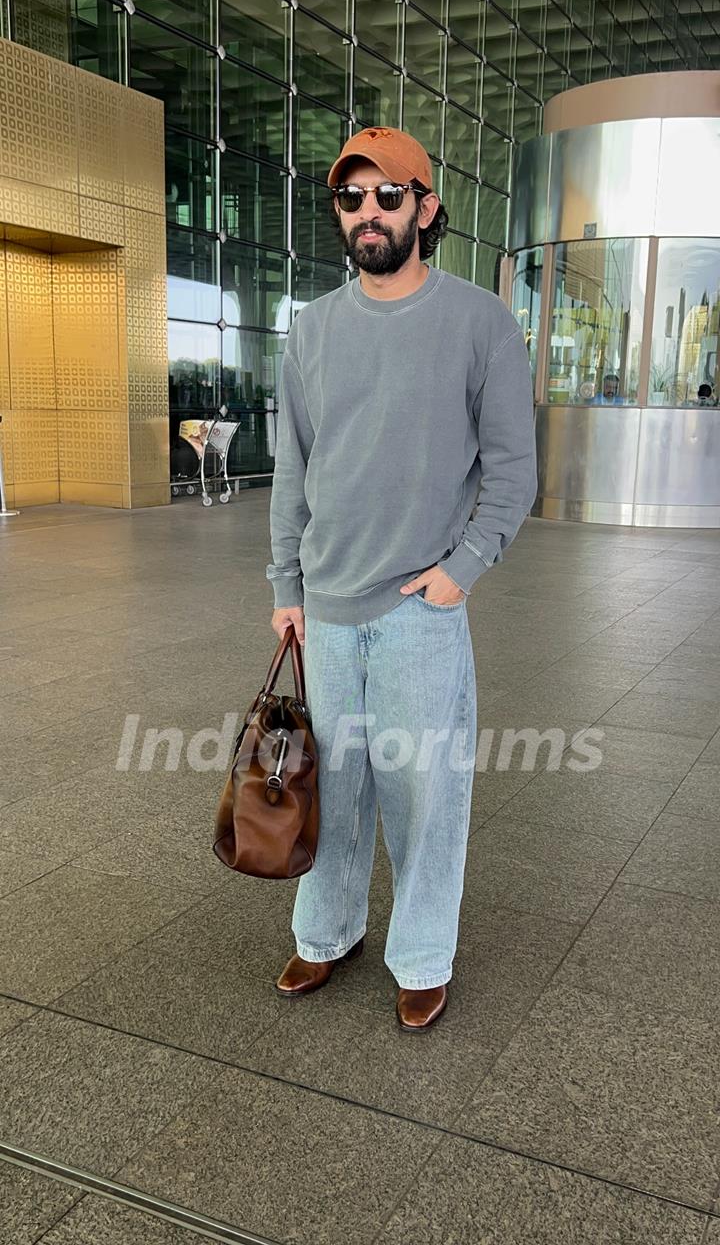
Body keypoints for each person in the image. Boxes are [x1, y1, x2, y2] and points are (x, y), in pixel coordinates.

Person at [265, 126, 537, 1032]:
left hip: (421, 609)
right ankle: (327, 931)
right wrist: (284, 586)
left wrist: (462, 571)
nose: (369, 213)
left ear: (426, 208)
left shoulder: (480, 323)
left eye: (389, 196)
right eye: (352, 198)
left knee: (427, 797)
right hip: (328, 610)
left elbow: (512, 470)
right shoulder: (309, 330)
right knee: (330, 787)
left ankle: (422, 954)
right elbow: (292, 472)